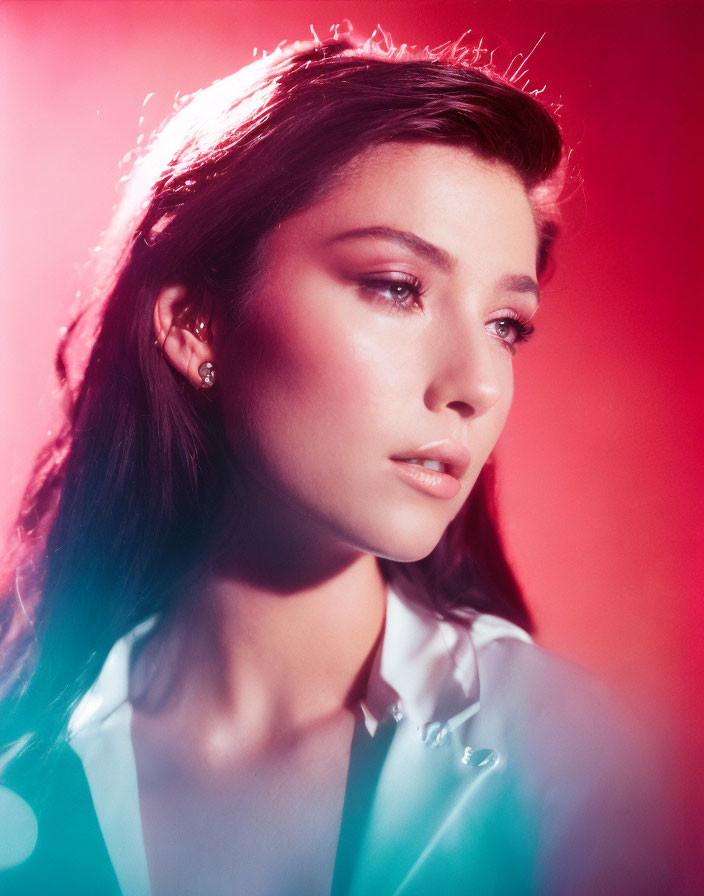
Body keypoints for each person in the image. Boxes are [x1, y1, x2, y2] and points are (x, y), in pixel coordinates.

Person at [0, 29, 674, 896]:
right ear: (195, 324)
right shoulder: (24, 742)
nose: (475, 383)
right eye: (397, 286)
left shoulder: (583, 773)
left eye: (507, 325)